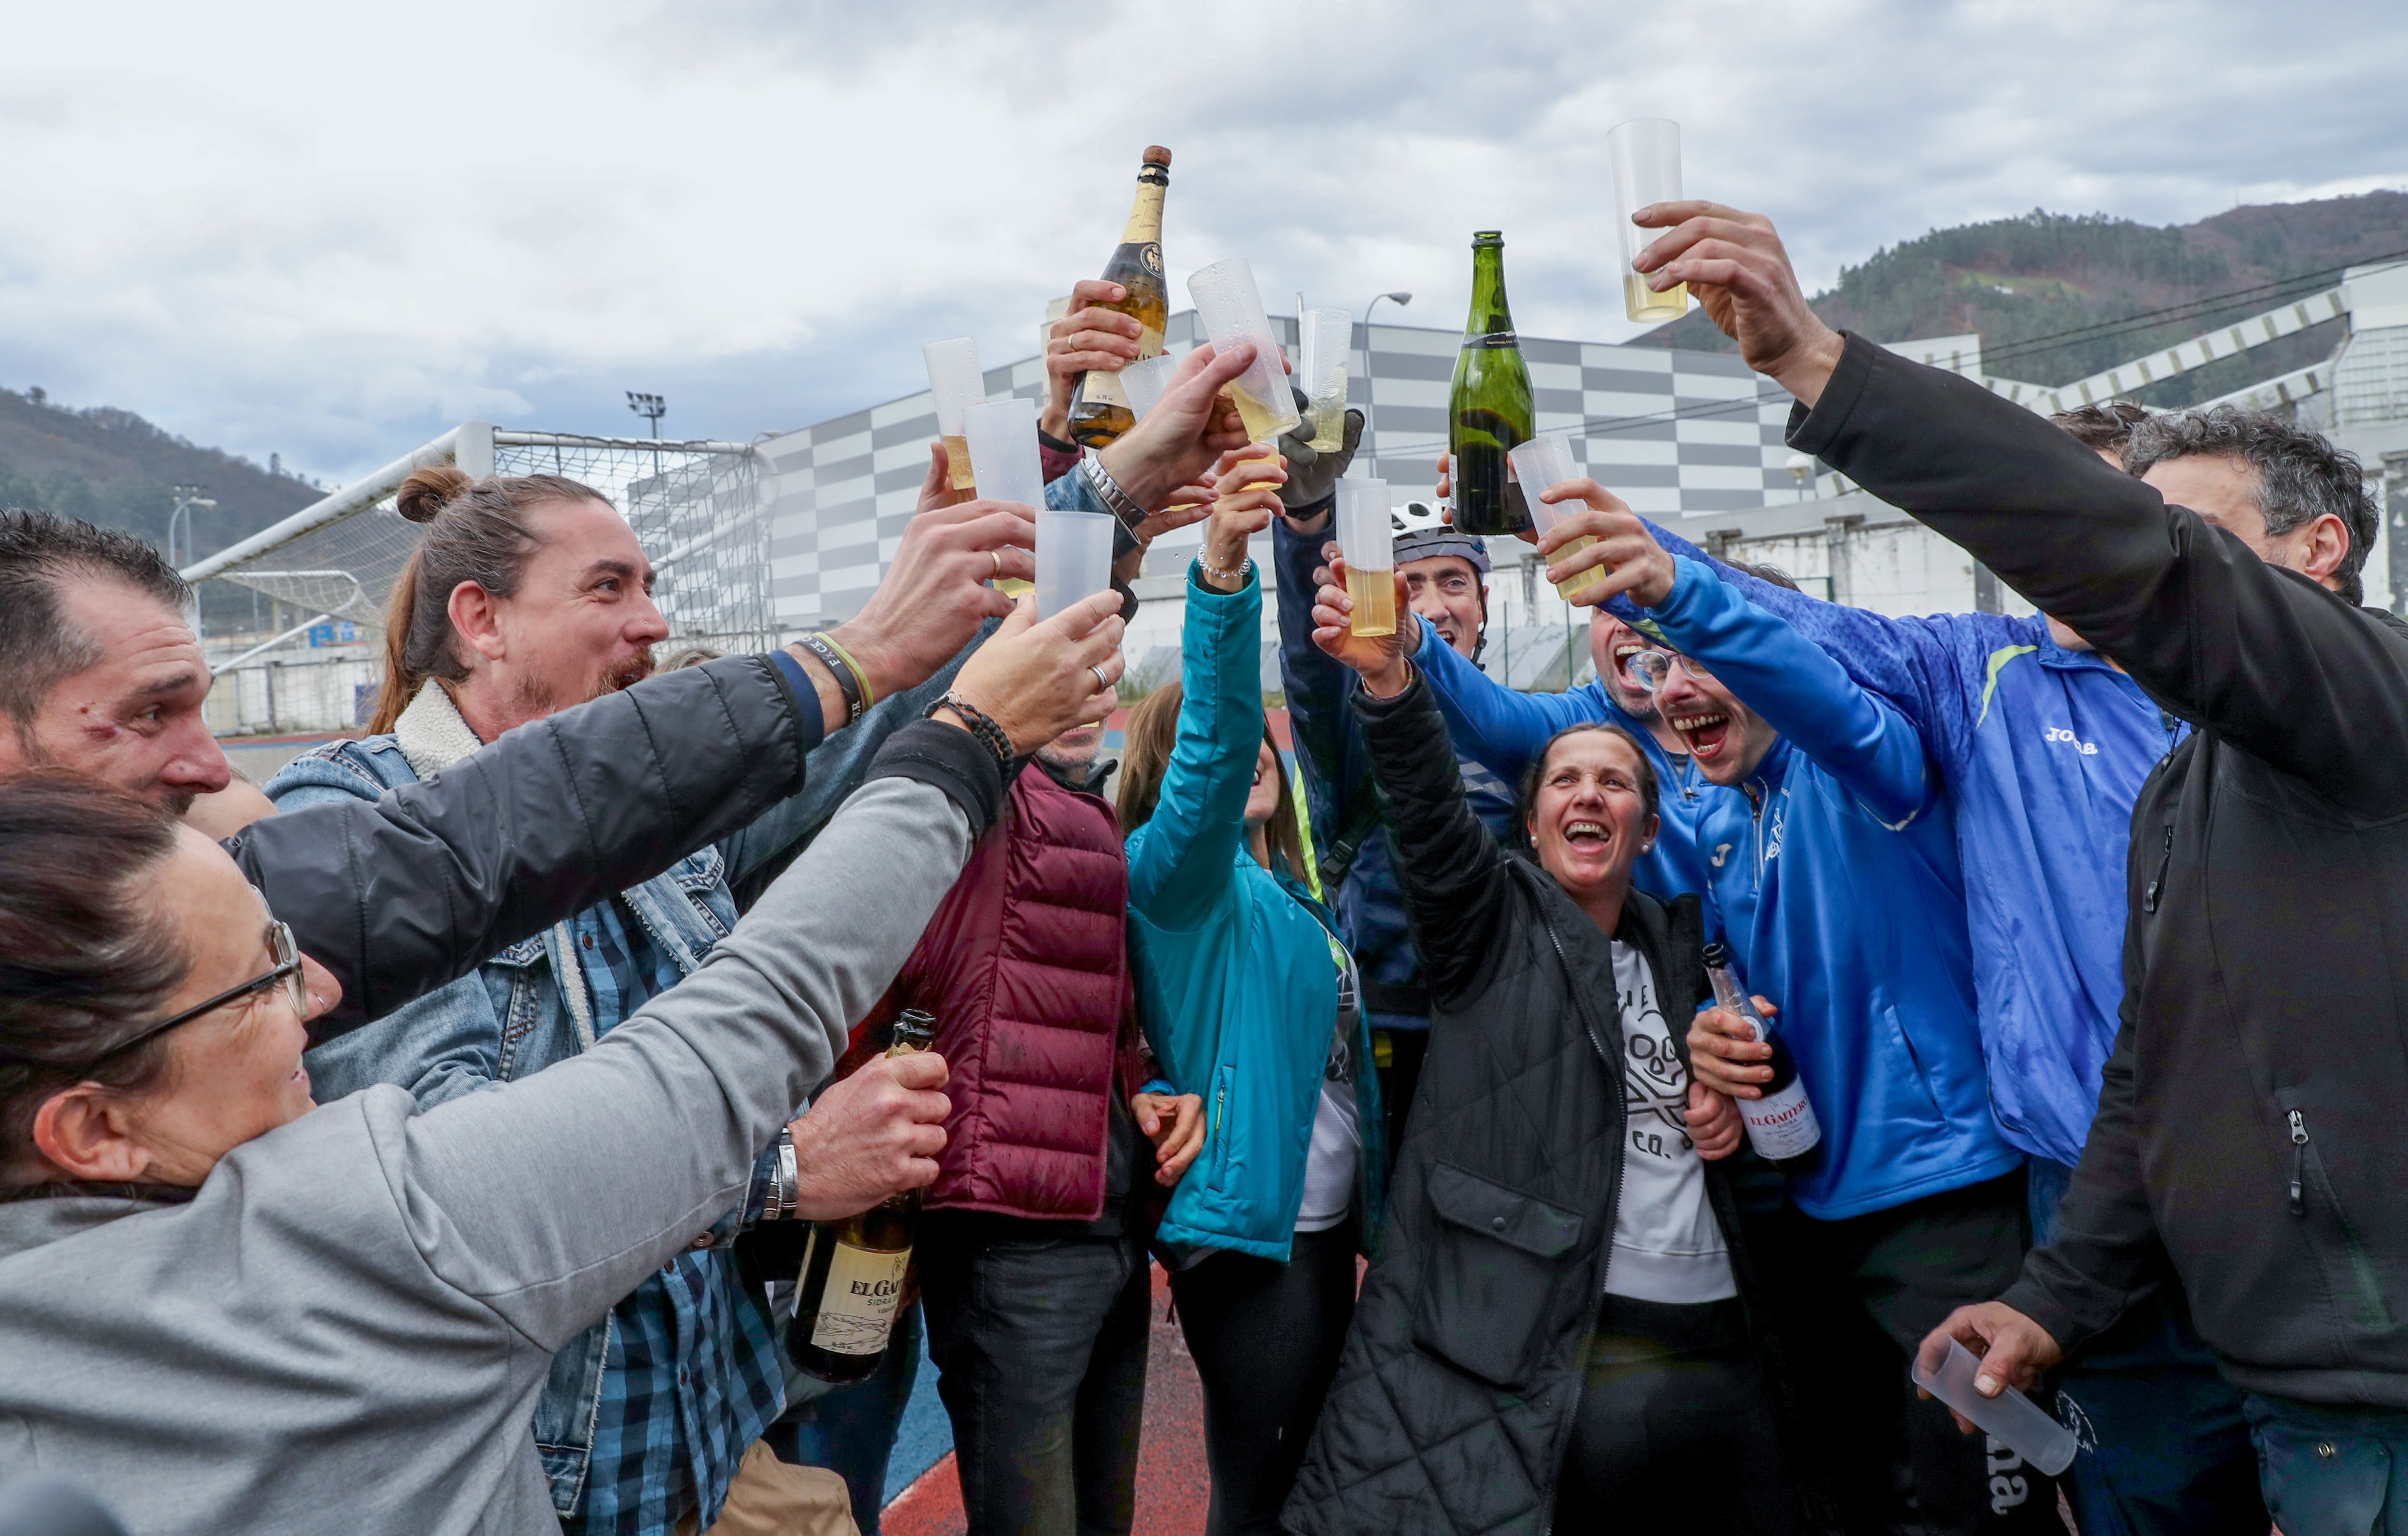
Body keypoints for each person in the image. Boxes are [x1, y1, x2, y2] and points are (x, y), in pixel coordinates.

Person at [0, 590, 1126, 1536]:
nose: (324, 992)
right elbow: (728, 1032)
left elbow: (537, 820)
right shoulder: (361, 1227)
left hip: (702, 1431)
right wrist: (968, 737)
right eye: (264, 979)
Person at [1630, 194, 2401, 1535]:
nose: (2115, 576)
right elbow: (2152, 1065)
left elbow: (2136, 565)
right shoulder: (2149, 768)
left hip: (2355, 1324)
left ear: (2315, 549)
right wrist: (1668, 575)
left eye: (2170, 539)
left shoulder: (2366, 706)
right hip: (2142, 1252)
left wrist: (1822, 360)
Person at [1545, 403, 2260, 1536]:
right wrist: (1712, 1041)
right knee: (2060, 1480)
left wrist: (1672, 581)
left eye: (2088, 510)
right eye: (1649, 669)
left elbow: (1817, 667)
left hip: (2028, 1179)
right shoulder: (1758, 791)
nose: (1675, 686)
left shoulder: (1875, 758)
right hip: (2021, 1180)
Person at [0, 506, 992, 1043]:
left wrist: (1066, 489)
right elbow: (442, 1173)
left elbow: (873, 723)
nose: (652, 621)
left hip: (701, 1402)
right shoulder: (343, 811)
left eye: (650, 586)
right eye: (609, 586)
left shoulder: (679, 818)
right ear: (480, 620)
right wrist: (773, 1163)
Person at [1282, 547, 1817, 1536]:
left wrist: (1746, 1084)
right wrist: (1390, 679)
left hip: (1727, 1346)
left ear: (1648, 827)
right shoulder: (1490, 930)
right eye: (1562, 779)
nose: (1586, 793)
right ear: (1529, 828)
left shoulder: (1692, 957)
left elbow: (1786, 1141)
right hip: (1577, 1350)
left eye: (1613, 780)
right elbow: (1432, 820)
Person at [1115, 449, 1384, 1536]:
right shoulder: (1173, 878)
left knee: (1305, 1479)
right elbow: (1218, 748)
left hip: (1317, 1225)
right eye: (1193, 750)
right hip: (1245, 1232)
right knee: (1259, 1489)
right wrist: (1223, 570)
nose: (1237, 756)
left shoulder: (1289, 891)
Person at [1271, 452, 1523, 1136]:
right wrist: (1303, 524)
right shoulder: (1351, 727)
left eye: (1453, 582)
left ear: (1484, 603)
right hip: (1392, 1037)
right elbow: (1309, 665)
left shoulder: (1521, 725)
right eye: (1411, 582)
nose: (1435, 605)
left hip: (1515, 1031)